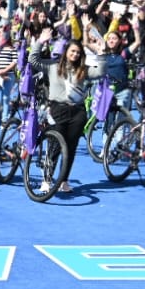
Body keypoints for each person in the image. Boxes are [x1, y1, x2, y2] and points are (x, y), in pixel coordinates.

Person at [40, 39, 90, 195]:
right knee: (54, 145)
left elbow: (101, 71)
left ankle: (63, 180)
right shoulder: (53, 66)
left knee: (70, 148)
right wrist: (40, 42)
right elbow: (32, 60)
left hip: (77, 112)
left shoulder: (83, 69)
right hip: (57, 109)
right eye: (72, 51)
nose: (75, 54)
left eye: (78, 52)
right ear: (66, 51)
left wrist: (101, 52)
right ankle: (47, 180)